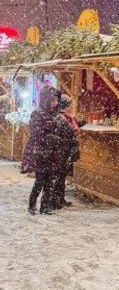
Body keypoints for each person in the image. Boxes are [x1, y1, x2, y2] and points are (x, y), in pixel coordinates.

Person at [25, 87, 77, 215]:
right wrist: (51, 138)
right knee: (40, 181)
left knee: (50, 182)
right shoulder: (38, 113)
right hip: (41, 153)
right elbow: (36, 132)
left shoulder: (58, 116)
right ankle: (32, 206)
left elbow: (68, 131)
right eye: (52, 100)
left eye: (56, 100)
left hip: (55, 154)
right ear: (46, 100)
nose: (54, 103)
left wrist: (71, 138)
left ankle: (45, 207)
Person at [50, 93, 80, 210]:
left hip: (62, 150)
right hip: (61, 150)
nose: (72, 107)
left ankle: (59, 199)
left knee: (61, 176)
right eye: (70, 105)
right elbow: (67, 133)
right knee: (59, 176)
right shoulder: (62, 117)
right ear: (66, 105)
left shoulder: (64, 116)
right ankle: (55, 201)